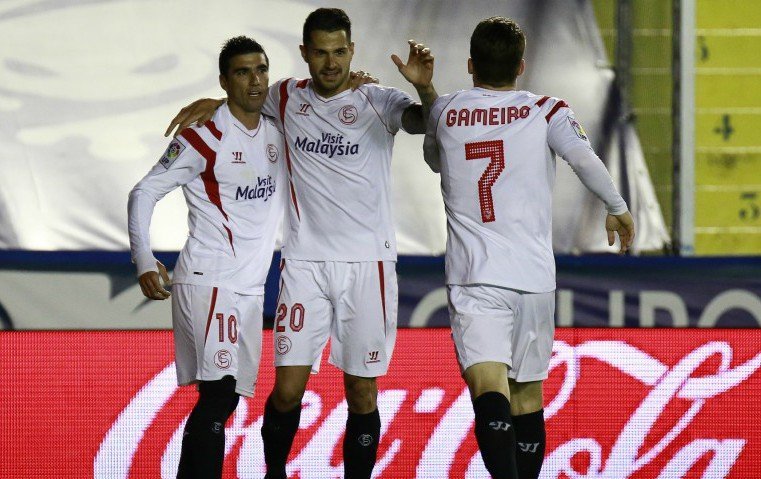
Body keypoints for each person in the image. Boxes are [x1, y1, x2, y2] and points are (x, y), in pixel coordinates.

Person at [164, 8, 436, 479]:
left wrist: (425, 89)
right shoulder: (286, 96)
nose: (331, 63)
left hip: (368, 265)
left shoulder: (377, 99)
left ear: (352, 50)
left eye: (339, 52)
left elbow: (423, 122)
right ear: (305, 53)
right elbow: (245, 98)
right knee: (287, 392)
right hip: (304, 264)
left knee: (361, 392)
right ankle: (275, 472)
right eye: (321, 53)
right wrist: (214, 101)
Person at [420, 17, 635, 479]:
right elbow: (583, 158)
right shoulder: (546, 109)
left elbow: (435, 160)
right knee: (526, 397)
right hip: (534, 279)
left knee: (488, 386)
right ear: (521, 65)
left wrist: (428, 93)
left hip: (476, 276)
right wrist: (616, 206)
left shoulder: (445, 111)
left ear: (471, 65)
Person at [128, 36, 285, 478]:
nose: (255, 81)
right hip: (210, 278)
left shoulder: (279, 130)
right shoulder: (203, 137)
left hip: (249, 288)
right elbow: (143, 192)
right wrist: (144, 259)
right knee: (219, 393)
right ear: (224, 80)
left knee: (225, 398)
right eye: (242, 72)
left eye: (261, 70)